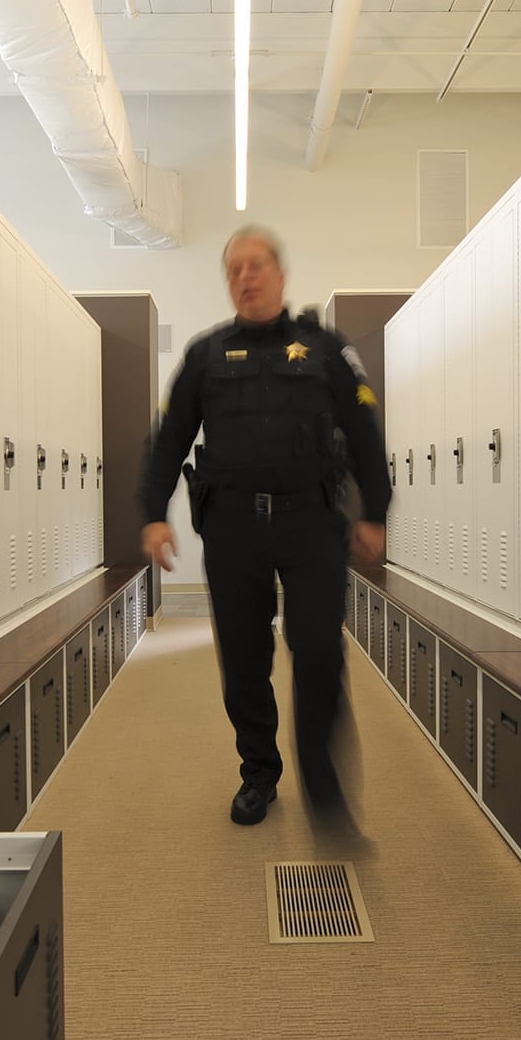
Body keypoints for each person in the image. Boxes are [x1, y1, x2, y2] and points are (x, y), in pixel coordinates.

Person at [137, 225, 391, 828]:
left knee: (318, 647)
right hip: (232, 526)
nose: (245, 277)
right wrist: (152, 512)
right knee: (245, 660)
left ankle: (324, 784)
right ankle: (259, 774)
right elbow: (170, 435)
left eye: (256, 266)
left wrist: (375, 511)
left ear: (280, 274)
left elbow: (363, 433)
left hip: (311, 521)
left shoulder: (325, 350)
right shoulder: (204, 355)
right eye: (234, 270)